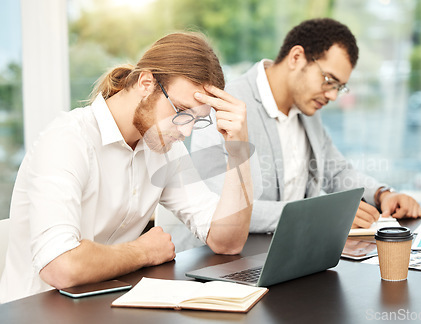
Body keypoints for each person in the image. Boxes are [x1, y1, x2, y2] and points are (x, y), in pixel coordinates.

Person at [0, 32, 253, 303]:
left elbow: (227, 242)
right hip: (37, 311)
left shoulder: (164, 148)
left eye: (197, 120)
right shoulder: (67, 140)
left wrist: (238, 149)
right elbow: (61, 266)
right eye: (181, 111)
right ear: (146, 83)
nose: (187, 131)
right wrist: (144, 252)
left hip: (106, 305)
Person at [190, 18, 421, 233]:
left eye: (339, 87)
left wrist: (382, 195)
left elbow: (336, 172)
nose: (332, 96)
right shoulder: (224, 106)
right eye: (329, 80)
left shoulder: (307, 110)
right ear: (296, 57)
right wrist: (317, 215)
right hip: (219, 261)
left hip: (288, 252)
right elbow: (221, 207)